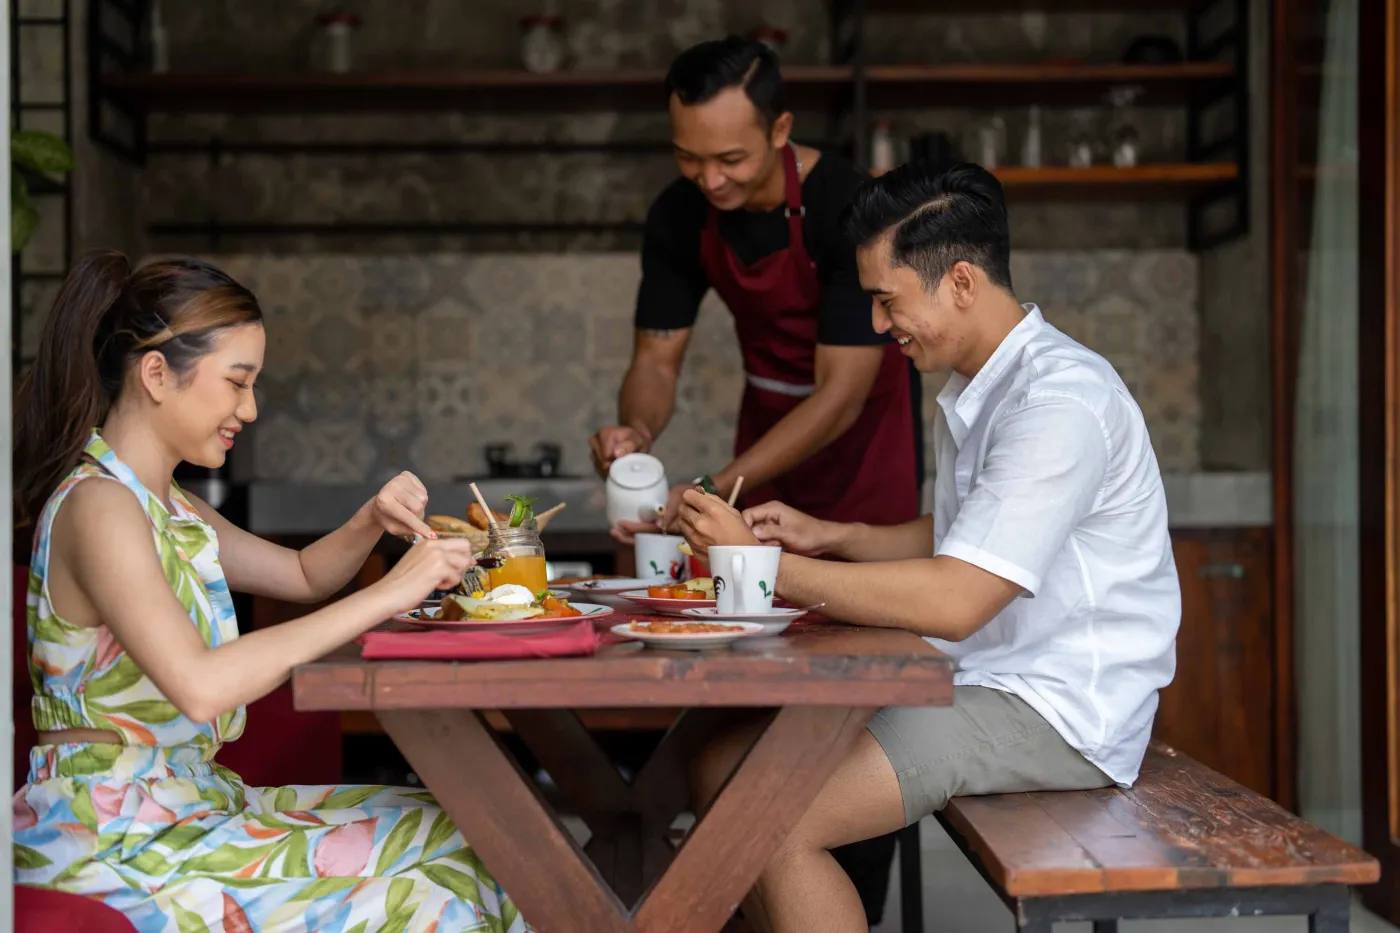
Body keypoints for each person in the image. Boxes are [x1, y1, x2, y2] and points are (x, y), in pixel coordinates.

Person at [677, 162, 1181, 933]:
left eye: (887, 300)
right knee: (717, 764)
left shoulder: (1058, 403)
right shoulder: (986, 386)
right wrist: (836, 536)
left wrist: (758, 563)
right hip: (983, 675)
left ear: (963, 283)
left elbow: (956, 598)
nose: (879, 326)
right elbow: (971, 535)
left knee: (770, 819)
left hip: (1057, 707)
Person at [11, 251, 531, 933]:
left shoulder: (169, 505)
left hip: (187, 807)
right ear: (157, 374)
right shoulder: (99, 507)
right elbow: (199, 685)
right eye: (237, 382)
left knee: (477, 832)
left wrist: (369, 519)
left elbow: (303, 575)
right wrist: (389, 593)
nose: (250, 409)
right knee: (440, 899)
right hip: (115, 841)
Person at [589, 35, 922, 538]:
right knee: (756, 590)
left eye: (730, 158)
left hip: (864, 440)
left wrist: (712, 487)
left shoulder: (847, 205)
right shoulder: (678, 214)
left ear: (780, 129)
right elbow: (656, 361)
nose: (710, 180)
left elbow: (841, 396)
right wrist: (638, 431)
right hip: (766, 439)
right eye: (688, 158)